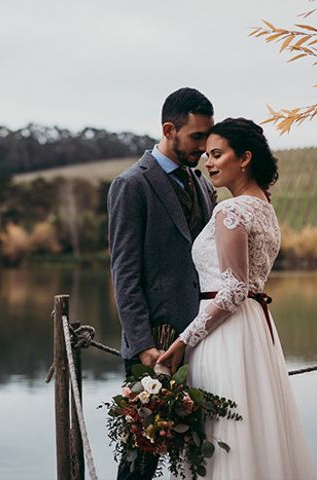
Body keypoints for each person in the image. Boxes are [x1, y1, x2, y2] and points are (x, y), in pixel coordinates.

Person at [158, 118, 317, 479]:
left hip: (225, 335)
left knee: (227, 435)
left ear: (244, 158)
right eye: (207, 155)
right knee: (254, 427)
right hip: (255, 331)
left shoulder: (231, 210)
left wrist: (185, 339)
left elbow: (233, 289)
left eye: (217, 154)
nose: (208, 163)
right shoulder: (265, 207)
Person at [107, 87, 218, 479]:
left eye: (208, 136)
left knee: (198, 453)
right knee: (141, 459)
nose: (205, 147)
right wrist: (142, 346)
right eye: (196, 137)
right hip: (155, 342)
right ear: (169, 129)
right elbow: (125, 272)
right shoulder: (131, 185)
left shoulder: (203, 184)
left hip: (201, 338)